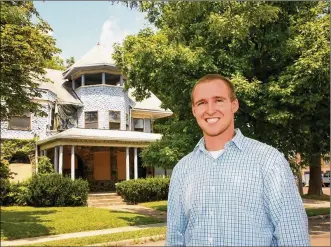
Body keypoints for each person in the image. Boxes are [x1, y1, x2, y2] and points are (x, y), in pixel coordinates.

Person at [166, 74, 310, 246]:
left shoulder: (269, 161)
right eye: (201, 102)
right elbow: (175, 238)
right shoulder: (182, 169)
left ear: (234, 105)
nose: (210, 110)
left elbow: (292, 236)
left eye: (218, 100)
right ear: (194, 110)